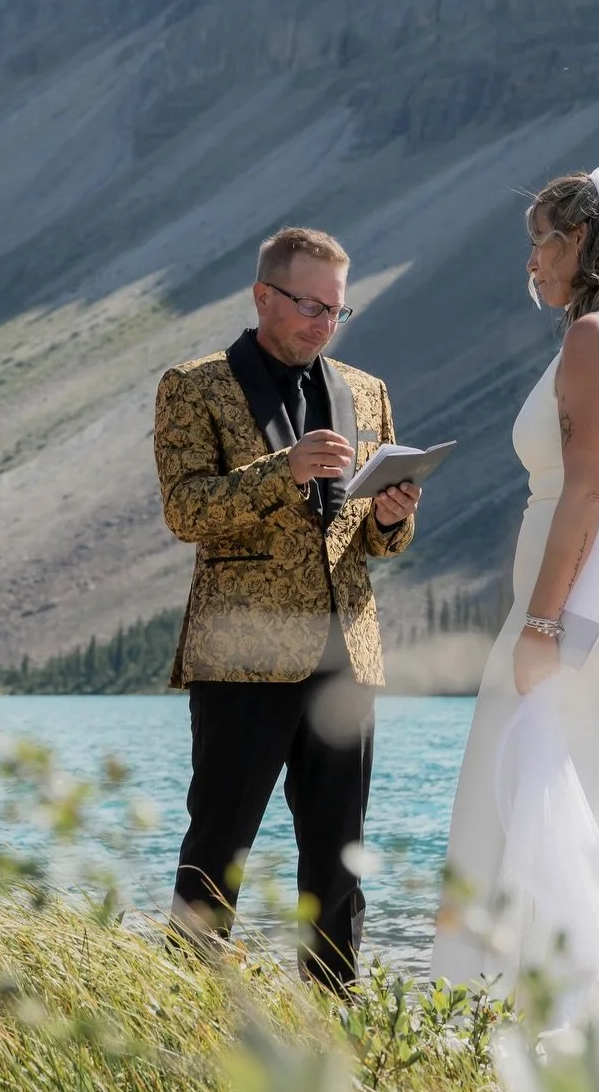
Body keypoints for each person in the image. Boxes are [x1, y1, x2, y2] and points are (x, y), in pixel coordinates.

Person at [430, 167, 599, 1069]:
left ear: (582, 241)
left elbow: (588, 487)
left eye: (542, 240)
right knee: (577, 799)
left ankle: (525, 1028)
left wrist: (543, 626)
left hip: (576, 605)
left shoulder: (592, 336)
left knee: (508, 792)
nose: (532, 261)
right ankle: (584, 1021)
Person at [154, 225, 420, 988]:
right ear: (263, 295)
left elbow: (377, 542)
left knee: (340, 858)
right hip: (242, 655)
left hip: (348, 652)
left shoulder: (367, 392)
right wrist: (282, 469)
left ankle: (331, 1021)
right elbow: (186, 512)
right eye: (310, 306)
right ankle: (182, 1018)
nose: (324, 324)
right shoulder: (194, 385)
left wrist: (395, 515)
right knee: (218, 851)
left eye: (336, 310)